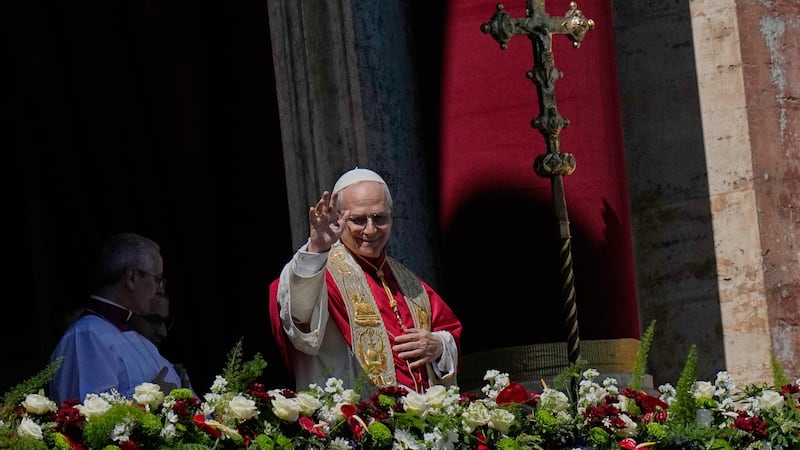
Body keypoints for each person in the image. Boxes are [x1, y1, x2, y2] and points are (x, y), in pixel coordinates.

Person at [269, 167, 462, 394]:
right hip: (353, 416)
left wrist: (438, 345)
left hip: (418, 420)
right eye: (358, 220)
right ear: (339, 218)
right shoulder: (318, 270)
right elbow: (299, 317)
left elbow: (449, 331)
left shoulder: (409, 283)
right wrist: (317, 248)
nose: (370, 230)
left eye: (379, 218)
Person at [49, 232, 188, 404]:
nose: (160, 290)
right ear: (132, 277)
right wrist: (153, 399)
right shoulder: (86, 335)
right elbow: (87, 418)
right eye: (157, 279)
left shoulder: (141, 341)